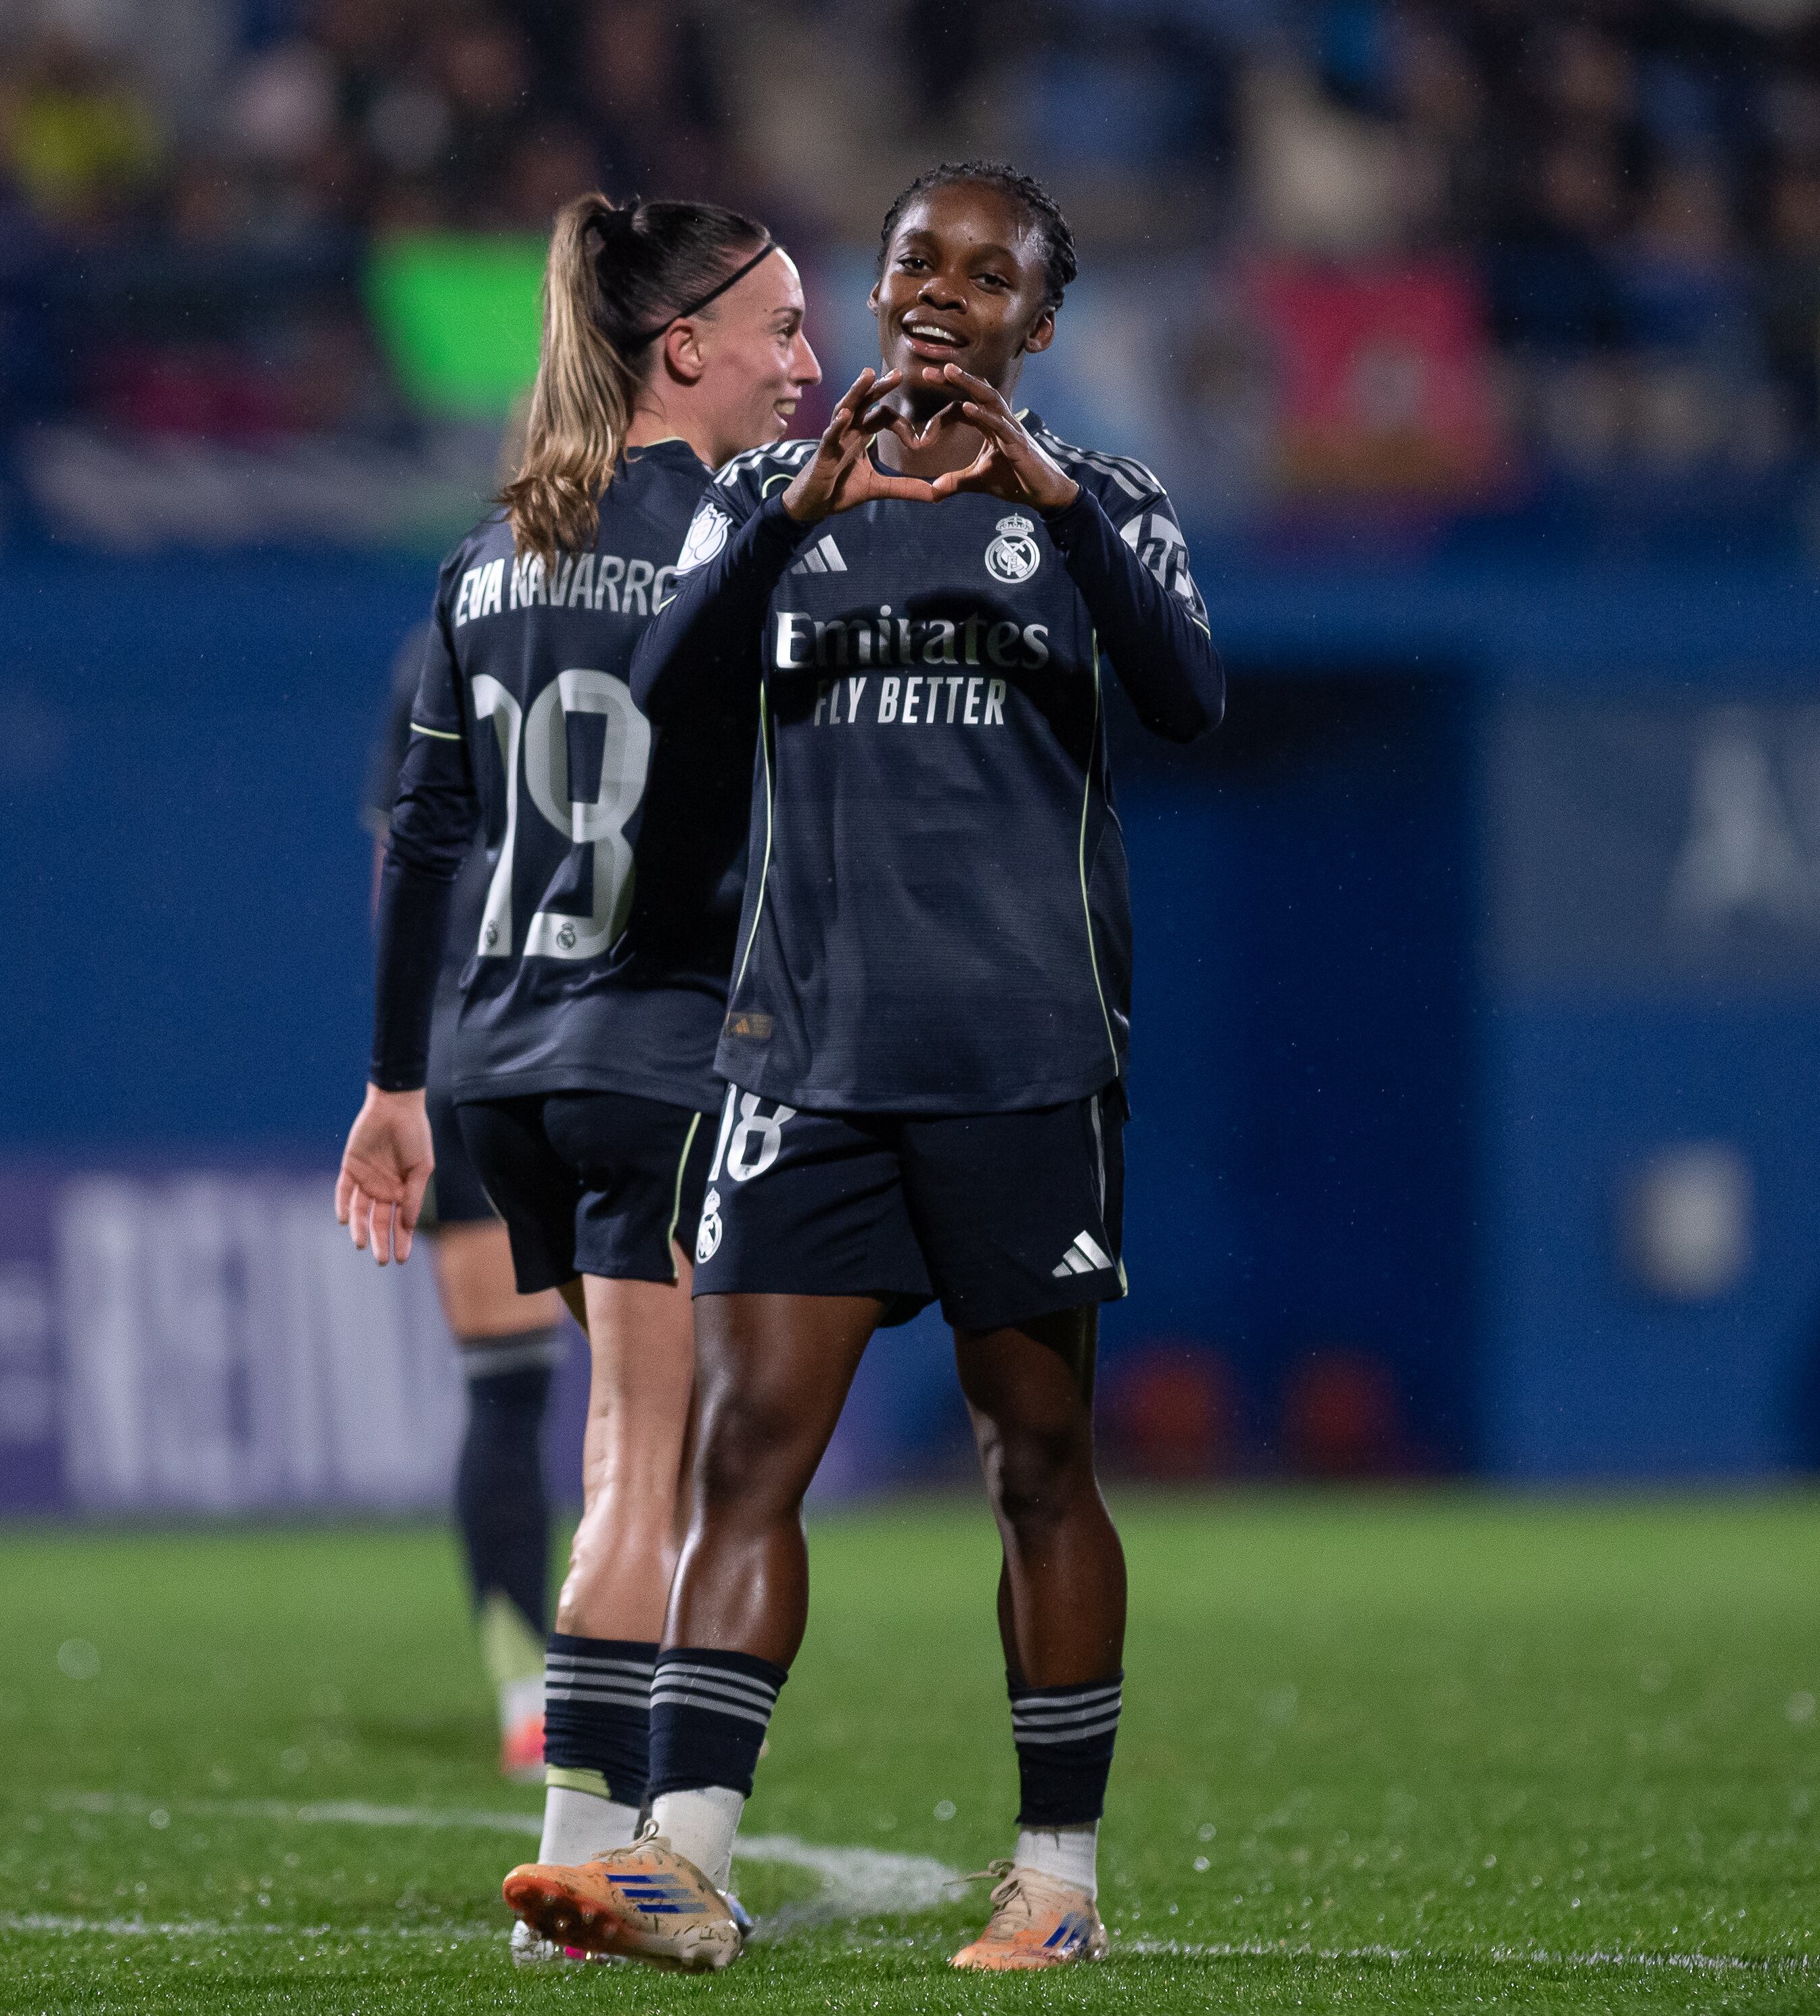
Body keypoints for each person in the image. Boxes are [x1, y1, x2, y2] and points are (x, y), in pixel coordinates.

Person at [501, 161, 1223, 1973]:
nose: (934, 295)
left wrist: (1049, 496)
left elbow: (1190, 693)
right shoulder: (764, 491)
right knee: (745, 1456)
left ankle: (1052, 1880)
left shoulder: (1104, 502)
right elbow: (650, 697)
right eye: (913, 263)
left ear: (1033, 324)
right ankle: (683, 1858)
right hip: (800, 1060)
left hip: (1020, 1057)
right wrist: (788, 512)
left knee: (1036, 1464)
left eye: (983, 280)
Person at [333, 189, 819, 1955]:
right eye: (776, 327)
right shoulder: (738, 537)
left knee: (620, 1453)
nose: (803, 361)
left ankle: (571, 1872)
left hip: (495, 1061)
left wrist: (394, 1086)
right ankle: (638, 1860)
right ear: (678, 345)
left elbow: (422, 837)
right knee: (680, 1475)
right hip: (659, 1048)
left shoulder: (483, 556)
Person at [361, 622, 578, 1782]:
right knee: (669, 1395)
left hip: (472, 1036)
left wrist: (400, 1061)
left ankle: (526, 1692)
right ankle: (657, 1688)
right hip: (635, 1027)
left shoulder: (447, 627)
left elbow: (399, 866)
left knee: (508, 1391)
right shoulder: (685, 579)